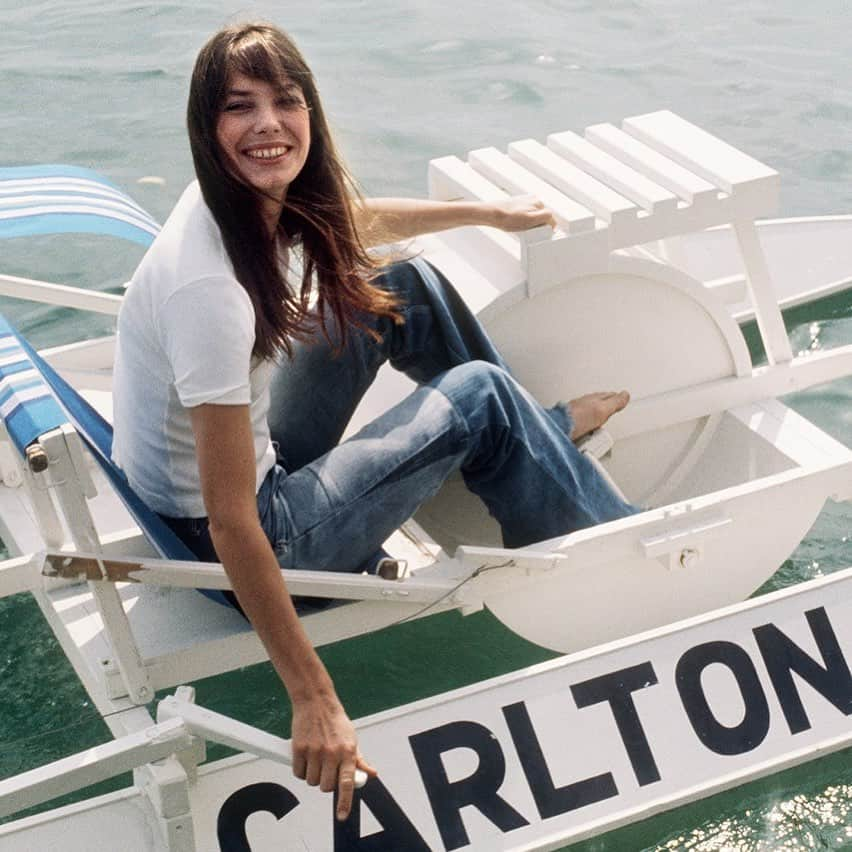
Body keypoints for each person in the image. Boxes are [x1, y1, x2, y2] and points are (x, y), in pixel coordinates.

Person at [111, 21, 634, 821]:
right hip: (255, 539)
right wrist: (313, 697)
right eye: (239, 108)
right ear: (205, 125)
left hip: (244, 472)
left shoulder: (233, 195)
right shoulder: (208, 292)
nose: (266, 126)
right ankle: (611, 553)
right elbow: (229, 521)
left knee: (403, 281)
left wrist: (484, 213)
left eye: (285, 102)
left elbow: (349, 219)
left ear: (310, 113)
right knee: (479, 393)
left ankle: (537, 434)